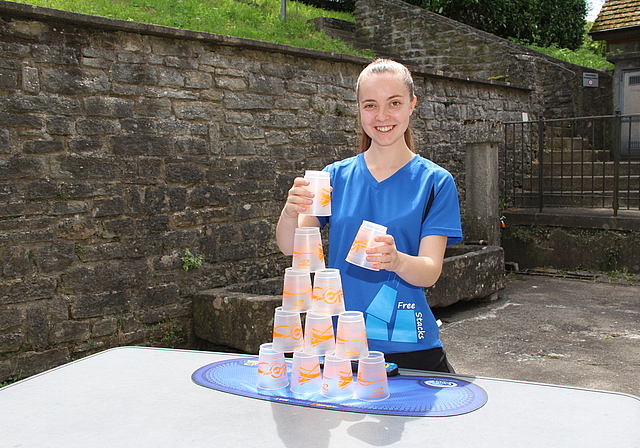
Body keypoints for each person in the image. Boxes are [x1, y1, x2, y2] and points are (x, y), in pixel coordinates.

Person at [276, 59, 463, 372]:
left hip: (408, 343)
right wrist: (289, 211)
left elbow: (430, 271)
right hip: (335, 345)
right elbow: (291, 247)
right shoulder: (333, 177)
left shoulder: (435, 182)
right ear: (359, 109)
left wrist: (397, 260)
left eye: (394, 103)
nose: (382, 116)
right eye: (371, 105)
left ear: (412, 105)